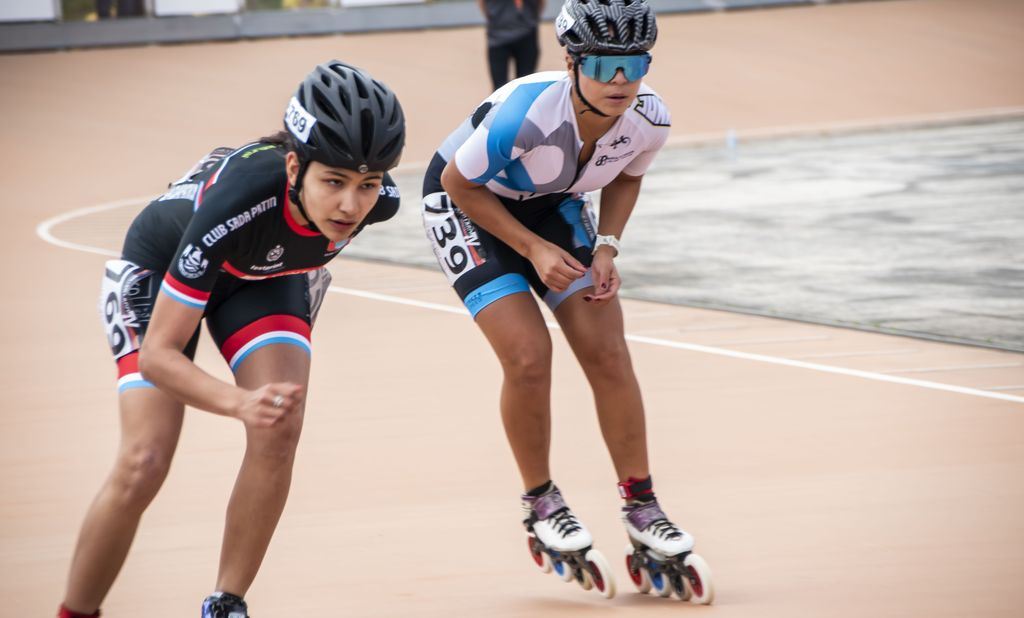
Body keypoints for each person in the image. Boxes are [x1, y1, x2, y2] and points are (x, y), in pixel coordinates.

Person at [58, 60, 405, 618]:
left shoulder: (378, 204)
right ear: (294, 166)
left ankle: (226, 604)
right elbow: (158, 356)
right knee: (144, 461)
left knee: (279, 428)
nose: (350, 205)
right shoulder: (238, 200)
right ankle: (76, 611)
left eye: (367, 185)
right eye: (333, 182)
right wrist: (237, 402)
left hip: (262, 276)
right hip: (166, 266)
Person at [422, 0, 713, 601]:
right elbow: (457, 182)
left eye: (635, 64)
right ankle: (541, 502)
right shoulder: (528, 114)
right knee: (529, 356)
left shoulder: (649, 117)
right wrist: (532, 249)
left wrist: (607, 246)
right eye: (604, 64)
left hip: (552, 203)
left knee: (607, 351)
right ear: (572, 61)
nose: (620, 80)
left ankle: (642, 504)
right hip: (469, 204)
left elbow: (627, 175)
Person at [478, 0, 545, 91]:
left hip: (526, 34)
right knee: (499, 89)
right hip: (497, 37)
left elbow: (541, 3)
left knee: (526, 84)